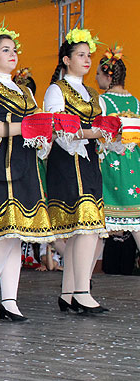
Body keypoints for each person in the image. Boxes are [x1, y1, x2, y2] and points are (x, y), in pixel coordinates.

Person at [0, 25, 54, 321]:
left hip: (25, 165)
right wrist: (28, 127)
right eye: (5, 50)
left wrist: (44, 131)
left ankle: (9, 300)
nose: (12, 54)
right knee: (3, 235)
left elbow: (36, 128)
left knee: (17, 236)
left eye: (14, 49)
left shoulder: (26, 91)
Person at [44, 29, 108, 314]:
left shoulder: (94, 94)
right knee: (85, 227)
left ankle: (69, 293)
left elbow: (102, 129)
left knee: (85, 229)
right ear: (67, 60)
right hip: (67, 161)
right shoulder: (57, 89)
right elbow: (58, 129)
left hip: (90, 161)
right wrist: (93, 132)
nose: (86, 60)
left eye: (88, 55)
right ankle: (82, 291)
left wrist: (111, 134)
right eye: (80, 55)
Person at [95, 47, 140, 250]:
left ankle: (86, 271)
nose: (96, 78)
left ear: (108, 76)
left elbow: (98, 134)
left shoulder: (102, 101)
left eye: (98, 74)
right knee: (137, 222)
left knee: (98, 227)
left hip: (110, 165)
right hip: (133, 164)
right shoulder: (136, 102)